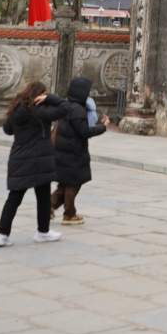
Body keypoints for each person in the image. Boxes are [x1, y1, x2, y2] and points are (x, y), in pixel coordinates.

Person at [0, 81, 68, 247]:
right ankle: (42, 232)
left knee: (14, 198)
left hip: (19, 158)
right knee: (42, 198)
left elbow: (8, 130)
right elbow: (65, 108)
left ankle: (2, 234)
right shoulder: (40, 110)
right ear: (39, 94)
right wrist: (50, 98)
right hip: (39, 159)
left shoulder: (16, 109)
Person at [52, 77, 109, 225]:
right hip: (73, 152)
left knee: (64, 184)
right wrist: (103, 127)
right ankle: (69, 214)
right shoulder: (77, 109)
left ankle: (48, 208)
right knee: (73, 183)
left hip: (64, 150)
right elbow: (83, 131)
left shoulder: (67, 105)